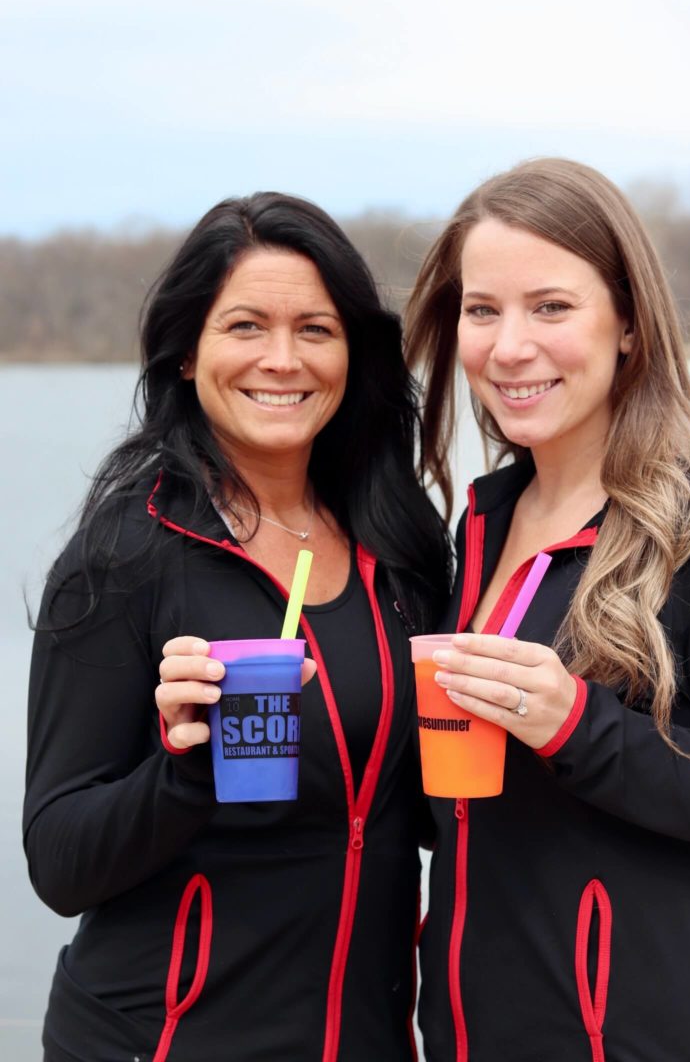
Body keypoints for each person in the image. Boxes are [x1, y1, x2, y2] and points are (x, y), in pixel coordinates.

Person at [24, 192, 451, 1062]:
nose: (282, 360)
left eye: (316, 329)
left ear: (353, 352)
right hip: (160, 1039)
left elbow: (412, 810)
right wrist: (184, 769)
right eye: (246, 326)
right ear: (188, 352)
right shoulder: (126, 554)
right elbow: (60, 864)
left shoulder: (400, 544)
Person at [404, 157, 690, 1062]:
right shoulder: (478, 526)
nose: (508, 346)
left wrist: (578, 728)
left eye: (551, 307)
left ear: (629, 324)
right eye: (482, 310)